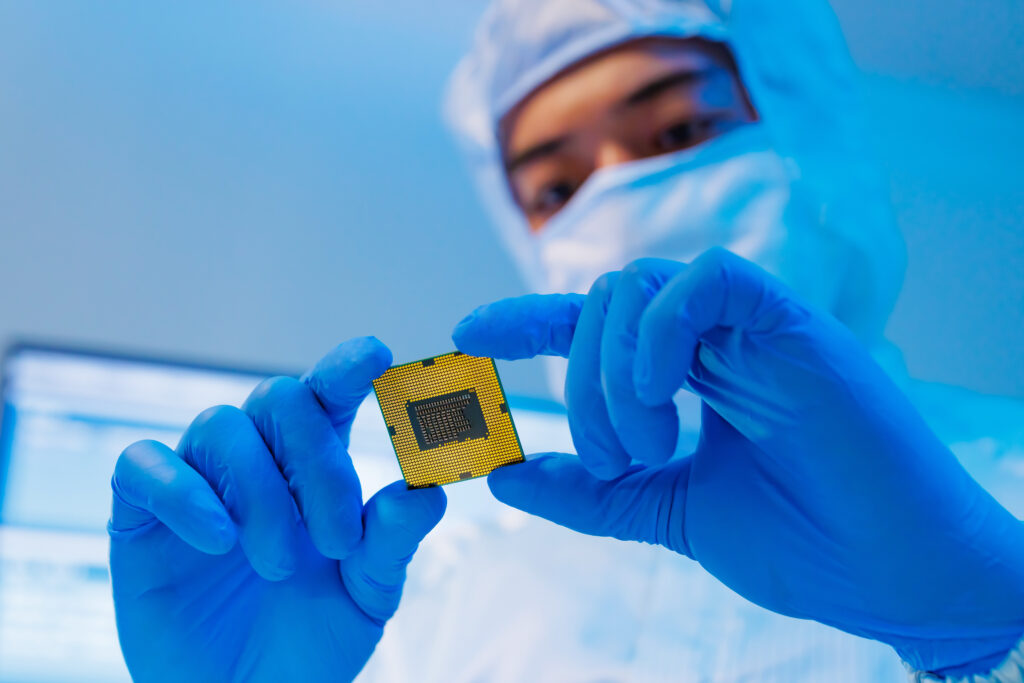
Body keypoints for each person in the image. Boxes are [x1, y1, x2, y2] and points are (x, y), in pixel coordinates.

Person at [107, 0, 1024, 681]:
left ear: (809, 137)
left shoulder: (1002, 499)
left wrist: (983, 623)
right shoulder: (436, 581)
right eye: (554, 188)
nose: (621, 202)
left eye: (680, 129)